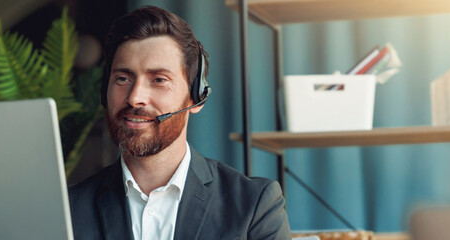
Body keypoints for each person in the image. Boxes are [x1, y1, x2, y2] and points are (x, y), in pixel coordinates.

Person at [69, 6, 291, 240]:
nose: (135, 97)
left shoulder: (255, 205)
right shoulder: (69, 209)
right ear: (105, 91)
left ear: (197, 96)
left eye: (158, 80)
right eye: (122, 78)